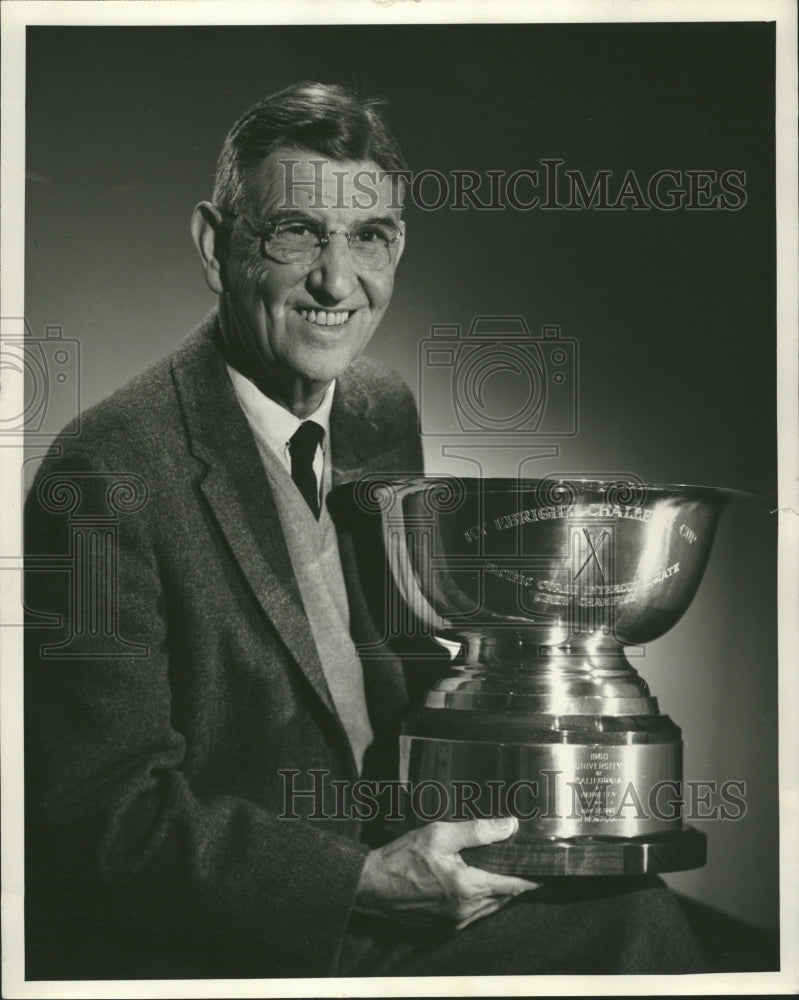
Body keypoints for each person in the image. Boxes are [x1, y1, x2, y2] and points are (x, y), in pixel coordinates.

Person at [24, 81, 704, 980]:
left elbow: (397, 662)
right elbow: (94, 812)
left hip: (408, 859)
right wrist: (363, 882)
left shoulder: (378, 409)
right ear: (215, 244)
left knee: (672, 914)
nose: (336, 283)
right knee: (642, 935)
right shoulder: (105, 472)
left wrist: (553, 760)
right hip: (255, 934)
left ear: (398, 248)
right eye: (296, 232)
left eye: (368, 238)